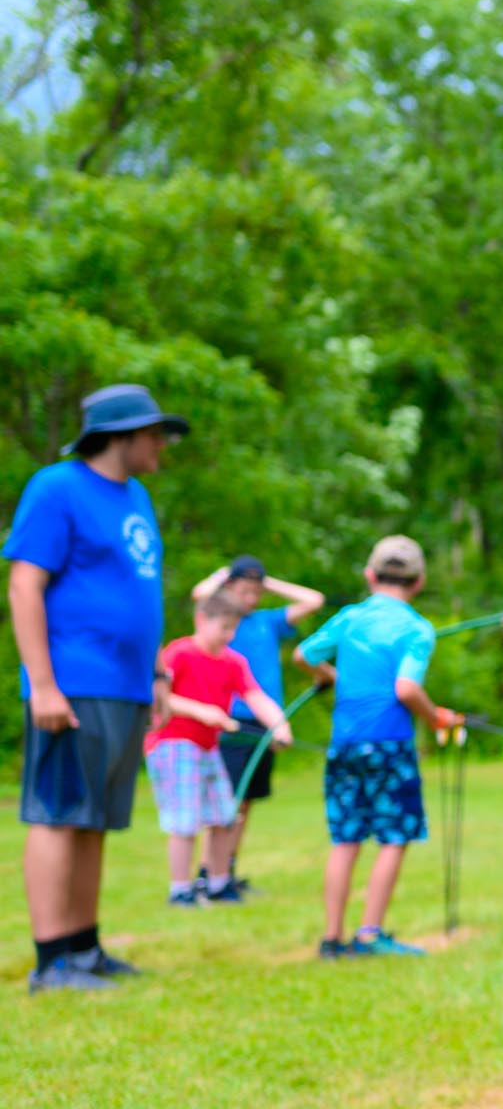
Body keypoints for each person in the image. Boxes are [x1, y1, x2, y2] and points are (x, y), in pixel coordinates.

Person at [5, 383, 191, 993]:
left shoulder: (136, 497)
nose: (162, 445)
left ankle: (84, 950)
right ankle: (51, 960)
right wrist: (43, 685)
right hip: (74, 684)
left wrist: (159, 674)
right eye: (156, 433)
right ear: (124, 435)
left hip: (127, 688)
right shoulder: (57, 487)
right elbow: (24, 585)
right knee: (59, 816)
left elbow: (141, 597)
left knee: (94, 820)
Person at [294, 535, 461, 960]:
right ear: (418, 582)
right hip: (389, 746)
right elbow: (406, 689)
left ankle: (332, 939)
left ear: (370, 576)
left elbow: (303, 655)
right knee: (392, 837)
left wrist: (331, 676)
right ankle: (369, 935)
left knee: (346, 838)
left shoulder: (350, 619)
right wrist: (437, 717)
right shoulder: (416, 628)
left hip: (345, 745)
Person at [189, 555, 326, 898]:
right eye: (244, 590)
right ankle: (208, 873)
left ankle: (227, 870)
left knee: (246, 800)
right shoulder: (223, 623)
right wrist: (224, 575)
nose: (251, 599)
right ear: (229, 587)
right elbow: (198, 595)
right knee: (227, 800)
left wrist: (267, 582)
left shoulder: (268, 621)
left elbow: (314, 600)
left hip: (266, 719)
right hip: (230, 718)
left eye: (256, 592)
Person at [144, 593, 292, 907]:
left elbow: (255, 696)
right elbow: (161, 697)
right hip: (173, 742)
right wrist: (202, 711)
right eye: (223, 627)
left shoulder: (233, 661)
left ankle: (219, 883)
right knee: (185, 820)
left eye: (233, 628)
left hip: (208, 746)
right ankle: (181, 890)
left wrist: (279, 725)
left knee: (225, 816)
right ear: (201, 620)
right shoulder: (180, 653)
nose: (229, 635)